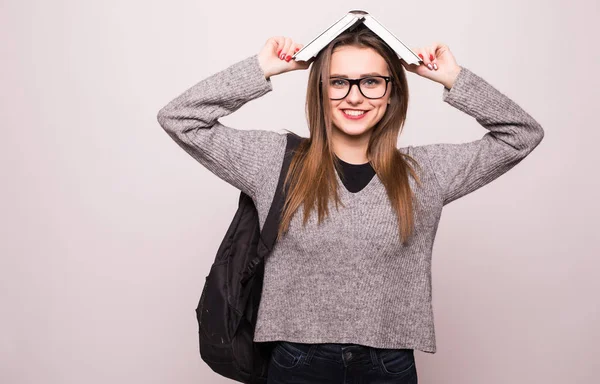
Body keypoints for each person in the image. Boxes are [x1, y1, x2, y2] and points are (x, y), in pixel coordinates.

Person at [157, 26, 544, 383]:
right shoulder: (273, 161)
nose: (354, 96)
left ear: (392, 91)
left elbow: (522, 134)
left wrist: (453, 79)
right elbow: (180, 118)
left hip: (389, 366)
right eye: (338, 82)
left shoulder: (427, 173)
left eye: (372, 82)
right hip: (295, 362)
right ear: (319, 89)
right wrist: (262, 69)